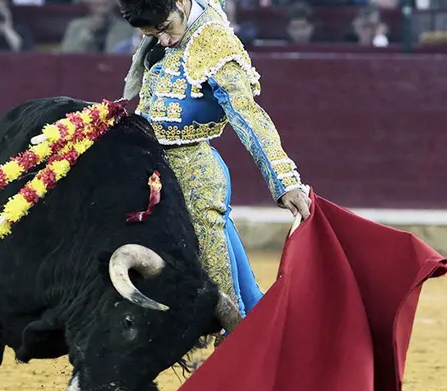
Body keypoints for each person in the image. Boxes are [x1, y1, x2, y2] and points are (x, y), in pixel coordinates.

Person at [118, 0, 311, 317]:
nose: (163, 41)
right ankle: (262, 321)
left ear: (181, 3)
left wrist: (285, 181)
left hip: (194, 167)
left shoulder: (214, 43)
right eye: (151, 34)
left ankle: (233, 335)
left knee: (211, 245)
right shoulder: (163, 20)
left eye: (165, 29)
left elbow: (249, 117)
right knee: (226, 248)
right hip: (152, 161)